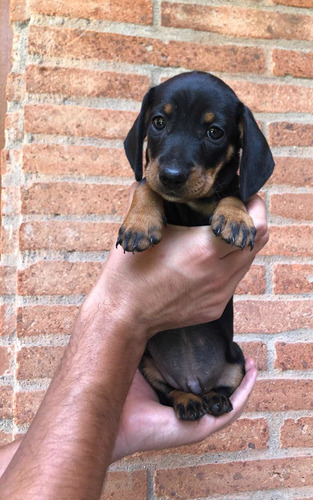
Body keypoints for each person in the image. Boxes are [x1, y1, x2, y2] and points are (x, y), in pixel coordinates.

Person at [0, 191, 269, 499]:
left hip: (215, 360)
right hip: (163, 366)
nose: (172, 166)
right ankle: (177, 393)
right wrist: (119, 311)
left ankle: (203, 393)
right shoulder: (151, 192)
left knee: (232, 364)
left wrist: (233, 202)